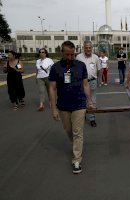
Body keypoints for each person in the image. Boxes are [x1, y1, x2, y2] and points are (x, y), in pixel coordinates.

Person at [49, 41, 94, 174]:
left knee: (77, 132)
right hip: (63, 105)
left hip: (79, 104)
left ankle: (76, 160)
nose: (70, 57)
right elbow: (52, 88)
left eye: (72, 54)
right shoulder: (55, 67)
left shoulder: (80, 65)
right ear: (62, 52)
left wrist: (89, 101)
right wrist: (53, 108)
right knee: (69, 131)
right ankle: (77, 146)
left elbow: (85, 85)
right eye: (67, 54)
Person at [76, 41, 101, 127]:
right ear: (84, 48)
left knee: (92, 101)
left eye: (89, 47)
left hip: (92, 81)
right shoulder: (78, 57)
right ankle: (82, 117)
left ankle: (92, 119)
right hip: (81, 82)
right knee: (82, 100)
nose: (88, 49)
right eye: (86, 47)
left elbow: (98, 69)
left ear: (92, 48)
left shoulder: (96, 57)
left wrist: (97, 80)